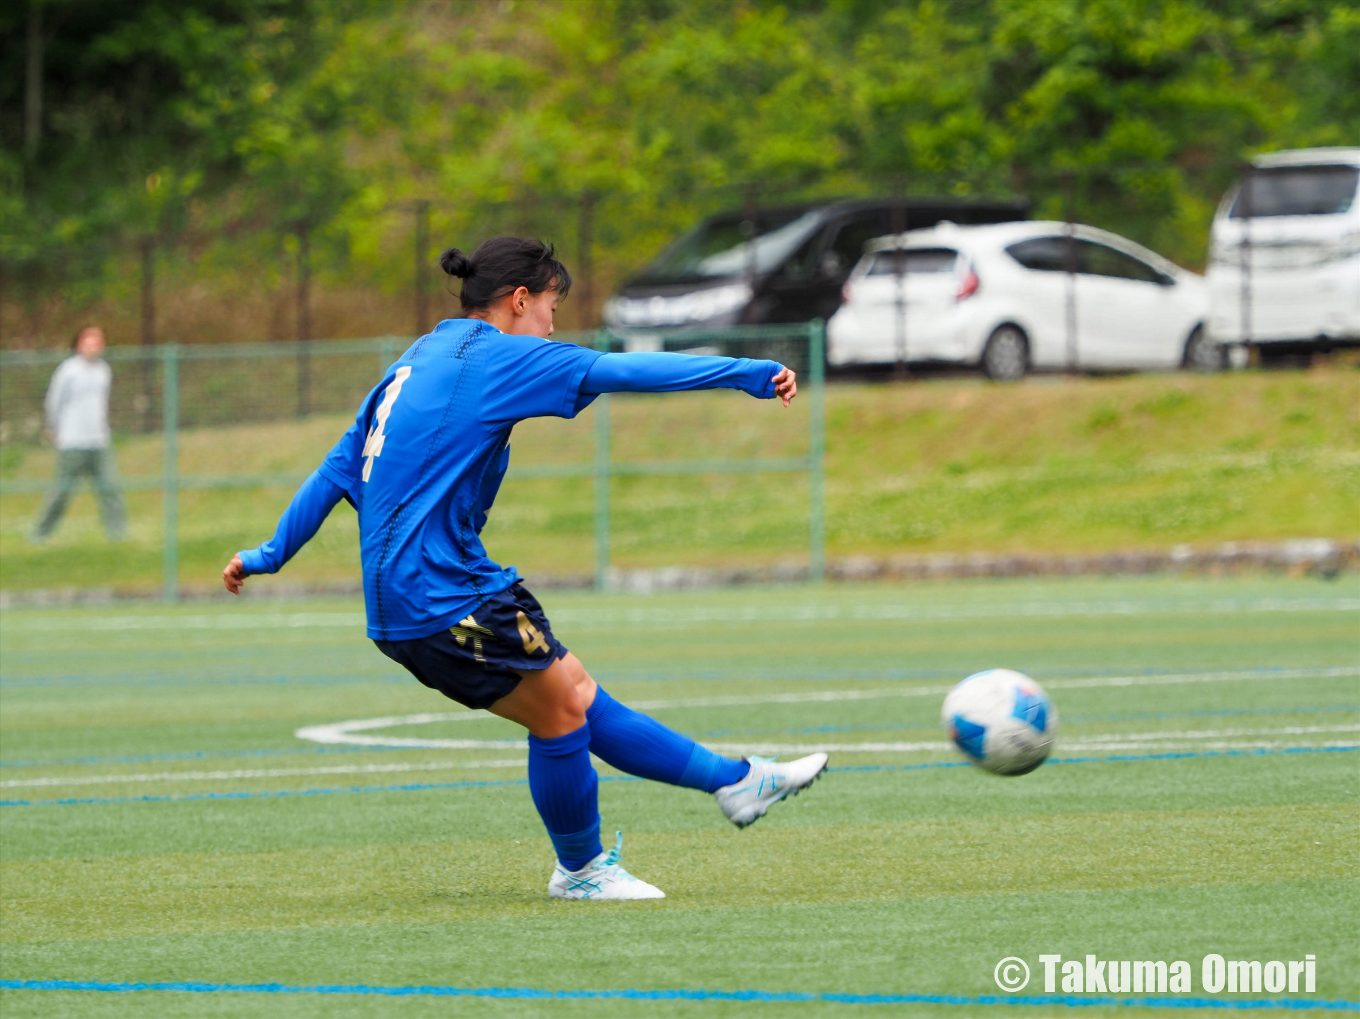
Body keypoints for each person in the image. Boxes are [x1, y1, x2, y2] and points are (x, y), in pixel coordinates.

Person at [222, 237, 827, 900]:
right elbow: (622, 370)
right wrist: (747, 373)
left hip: (411, 597)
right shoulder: (499, 357)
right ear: (518, 300)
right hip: (442, 596)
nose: (552, 326)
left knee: (576, 692)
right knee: (560, 714)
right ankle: (582, 869)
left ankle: (738, 781)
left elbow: (335, 471)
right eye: (551, 308)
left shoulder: (414, 361)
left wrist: (269, 553)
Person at [32, 325, 127, 542]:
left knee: (110, 488)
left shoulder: (103, 371)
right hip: (72, 441)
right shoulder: (68, 370)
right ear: (79, 344)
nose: (93, 346)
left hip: (99, 441)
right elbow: (53, 402)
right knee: (61, 491)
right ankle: (40, 534)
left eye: (98, 342)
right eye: (89, 342)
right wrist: (55, 429)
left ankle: (118, 535)